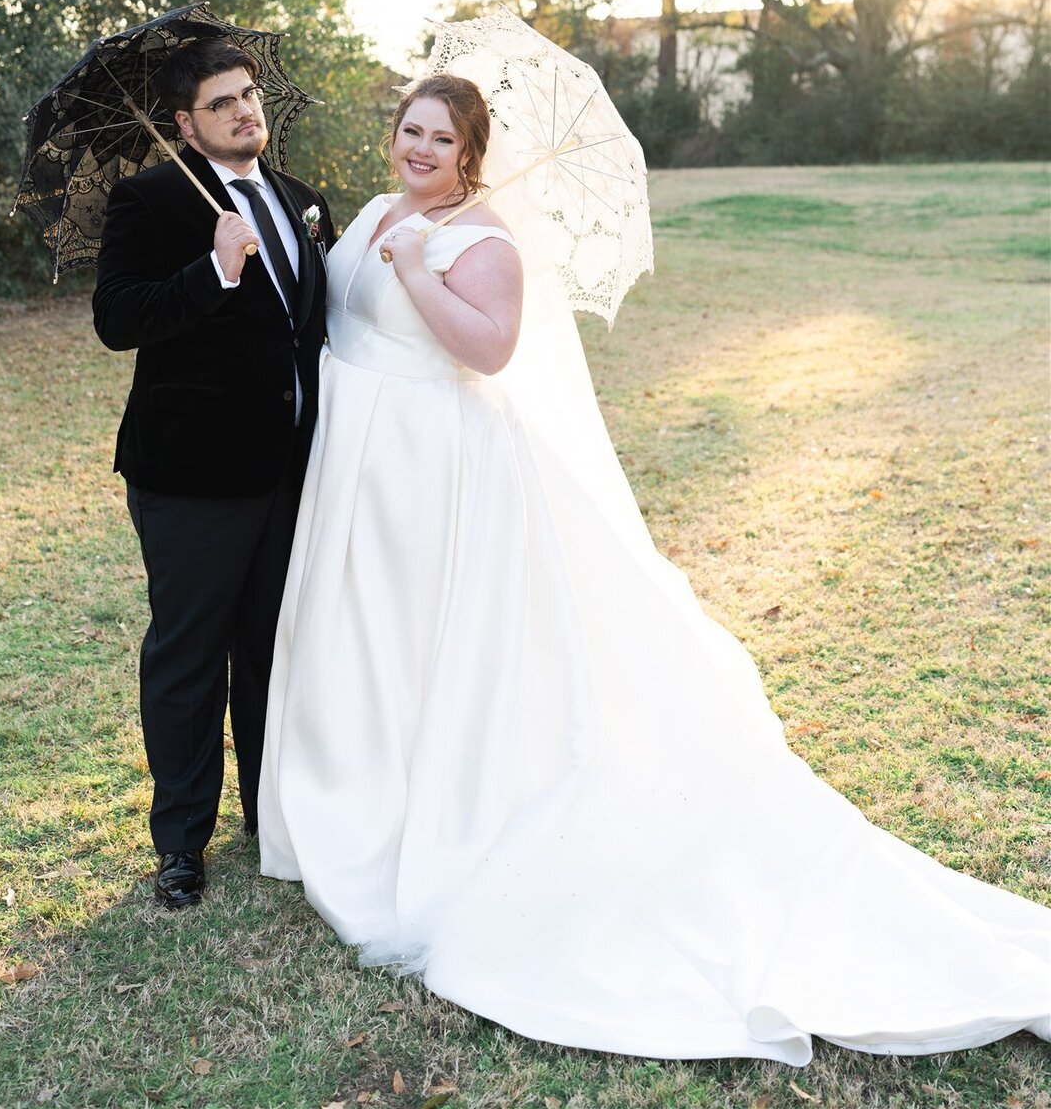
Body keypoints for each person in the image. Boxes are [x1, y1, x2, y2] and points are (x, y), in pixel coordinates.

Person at [258, 72, 1050, 1066]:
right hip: (359, 461)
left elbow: (489, 351)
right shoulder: (377, 209)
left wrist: (420, 270)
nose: (417, 150)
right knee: (368, 640)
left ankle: (439, 818)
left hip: (434, 469)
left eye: (439, 138)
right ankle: (360, 793)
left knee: (432, 642)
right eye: (408, 130)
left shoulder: (481, 241)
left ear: (471, 152)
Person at [94, 39, 333, 909]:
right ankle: (181, 842)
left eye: (249, 94)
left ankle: (269, 813)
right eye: (222, 103)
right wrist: (212, 271)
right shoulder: (150, 201)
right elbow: (118, 319)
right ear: (185, 125)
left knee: (273, 652)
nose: (244, 111)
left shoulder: (305, 202)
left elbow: (313, 331)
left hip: (290, 472)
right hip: (189, 477)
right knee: (189, 658)